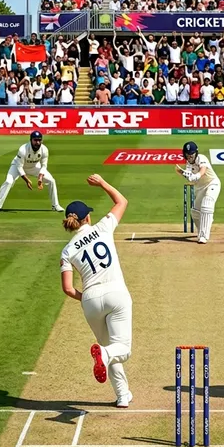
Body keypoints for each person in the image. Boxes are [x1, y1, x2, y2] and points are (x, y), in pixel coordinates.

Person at [60, 174, 133, 408]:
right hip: (116, 293)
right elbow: (122, 202)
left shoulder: (66, 251)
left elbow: (68, 289)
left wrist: (86, 298)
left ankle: (123, 396)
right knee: (120, 350)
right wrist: (102, 183)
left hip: (90, 300)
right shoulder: (102, 227)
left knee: (107, 348)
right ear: (87, 218)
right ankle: (104, 357)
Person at [0, 131, 64, 214]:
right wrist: (27, 180)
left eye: (39, 140)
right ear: (30, 140)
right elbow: (19, 167)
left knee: (51, 181)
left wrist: (40, 178)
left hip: (34, 167)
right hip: (17, 166)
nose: (37, 142)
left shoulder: (44, 150)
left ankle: (55, 205)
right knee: (8, 181)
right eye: (35, 140)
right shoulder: (23, 150)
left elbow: (44, 166)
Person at [175, 141, 221, 244]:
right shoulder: (188, 164)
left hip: (212, 184)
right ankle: (206, 224)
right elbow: (191, 178)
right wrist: (186, 174)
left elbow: (202, 169)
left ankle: (203, 236)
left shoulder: (202, 158)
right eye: (187, 154)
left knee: (207, 203)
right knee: (195, 212)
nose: (190, 156)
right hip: (200, 188)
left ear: (196, 153)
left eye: (191, 154)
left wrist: (198, 175)